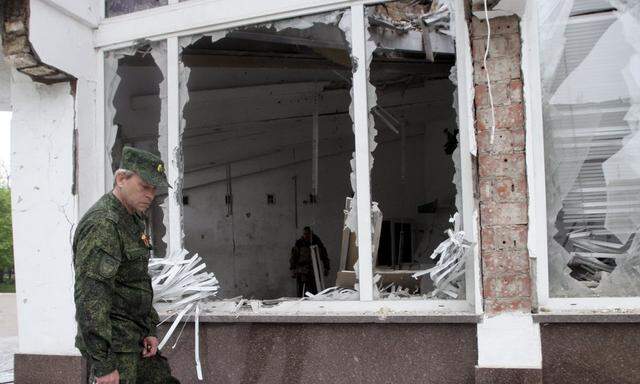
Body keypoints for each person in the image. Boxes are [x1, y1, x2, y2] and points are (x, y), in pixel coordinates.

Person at [73, 146, 180, 384]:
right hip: (115, 347)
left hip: (136, 339)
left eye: (154, 189)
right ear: (121, 179)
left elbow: (137, 281)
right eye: (144, 186)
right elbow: (91, 299)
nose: (151, 195)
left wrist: (149, 328)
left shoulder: (131, 218)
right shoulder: (103, 224)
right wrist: (103, 365)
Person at [289, 226, 330, 297]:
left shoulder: (316, 242)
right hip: (302, 271)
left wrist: (326, 268)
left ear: (311, 234)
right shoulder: (299, 243)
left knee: (315, 291)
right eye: (305, 234)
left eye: (308, 234)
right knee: (301, 292)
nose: (306, 236)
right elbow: (293, 257)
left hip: (314, 272)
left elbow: (324, 255)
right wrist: (293, 270)